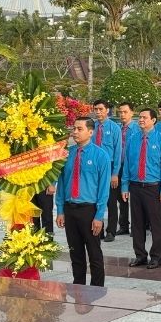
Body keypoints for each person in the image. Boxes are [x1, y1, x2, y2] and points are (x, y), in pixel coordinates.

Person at [55, 117, 110, 286]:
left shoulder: (101, 155)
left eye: (79, 129)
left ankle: (97, 289)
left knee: (94, 253)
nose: (75, 132)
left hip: (89, 210)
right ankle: (78, 287)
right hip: (70, 209)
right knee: (75, 253)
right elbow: (62, 183)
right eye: (74, 129)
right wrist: (60, 210)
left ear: (90, 132)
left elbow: (104, 189)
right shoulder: (66, 154)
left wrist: (99, 216)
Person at [122, 108, 161, 269]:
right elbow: (127, 164)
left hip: (153, 188)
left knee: (155, 224)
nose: (141, 120)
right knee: (137, 223)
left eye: (145, 117)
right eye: (140, 117)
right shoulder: (132, 139)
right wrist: (124, 186)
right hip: (135, 186)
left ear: (153, 120)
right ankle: (140, 255)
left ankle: (156, 257)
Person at [91, 100, 123, 242]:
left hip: (109, 165)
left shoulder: (114, 128)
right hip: (94, 165)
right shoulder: (91, 126)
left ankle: (111, 231)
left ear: (107, 110)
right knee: (96, 198)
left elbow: (118, 152)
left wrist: (115, 173)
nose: (98, 112)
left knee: (111, 200)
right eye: (96, 109)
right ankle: (99, 230)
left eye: (101, 109)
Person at [116, 102, 139, 234]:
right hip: (119, 166)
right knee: (121, 196)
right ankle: (124, 225)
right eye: (120, 112)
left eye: (125, 112)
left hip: (133, 166)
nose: (122, 114)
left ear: (132, 112)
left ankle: (138, 227)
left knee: (136, 198)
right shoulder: (117, 128)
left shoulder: (137, 128)